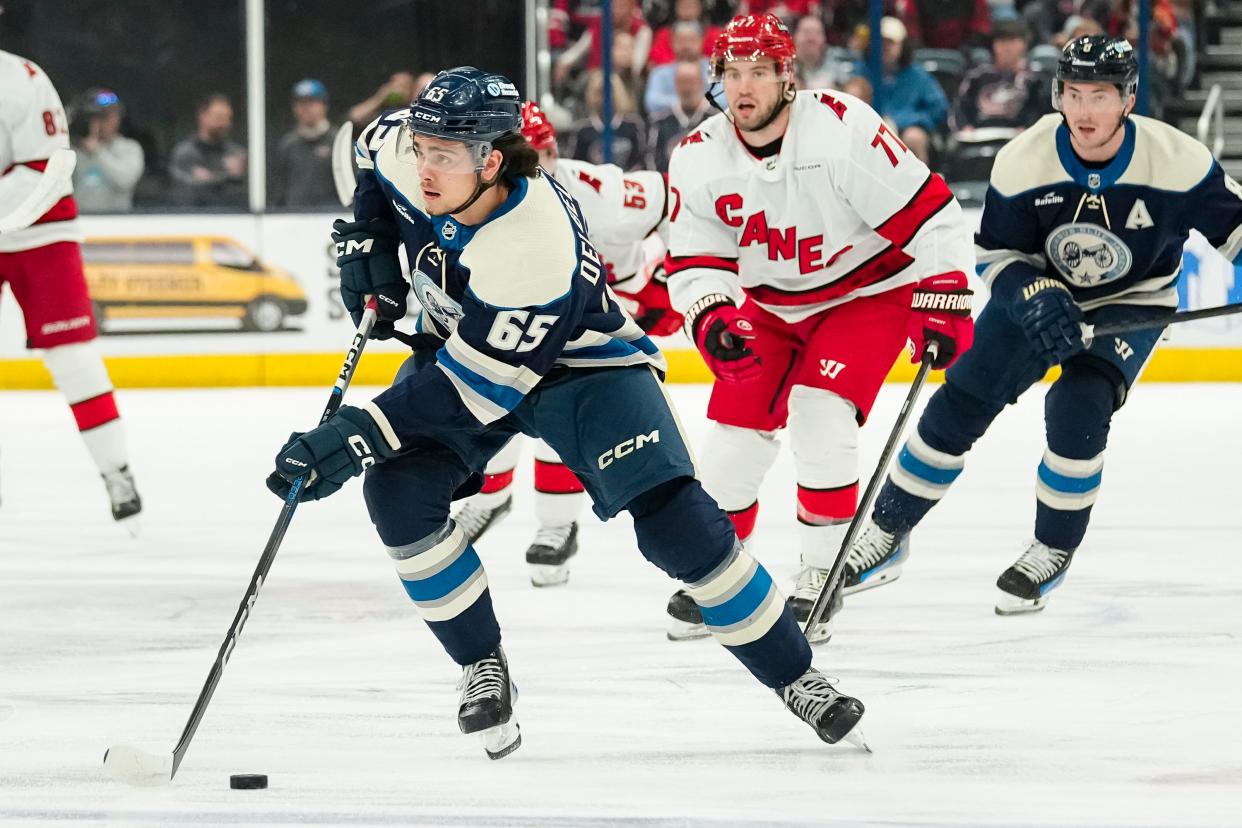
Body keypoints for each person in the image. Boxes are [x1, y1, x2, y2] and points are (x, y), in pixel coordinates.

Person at [265, 66, 866, 758]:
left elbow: (477, 385)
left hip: (582, 368)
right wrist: (367, 235)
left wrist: (358, 432)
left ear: (492, 159)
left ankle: (798, 676)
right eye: (424, 147)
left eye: (446, 156)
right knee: (398, 494)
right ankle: (480, 664)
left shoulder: (535, 243)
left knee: (680, 527)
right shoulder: (407, 148)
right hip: (470, 346)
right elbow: (373, 160)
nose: (426, 167)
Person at [838, 36, 1242, 615]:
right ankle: (887, 531)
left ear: (1128, 98)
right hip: (1038, 295)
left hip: (1131, 303)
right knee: (962, 400)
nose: (1083, 112)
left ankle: (1051, 548)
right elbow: (998, 255)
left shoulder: (1177, 162)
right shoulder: (1024, 159)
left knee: (1078, 405)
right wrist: (1032, 294)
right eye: (1073, 94)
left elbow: (1237, 234)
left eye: (1099, 96)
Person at [662, 13, 975, 643]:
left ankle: (822, 570)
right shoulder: (697, 157)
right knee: (734, 442)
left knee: (820, 412)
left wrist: (943, 295)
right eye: (732, 73)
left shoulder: (841, 127)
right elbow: (694, 261)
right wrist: (711, 313)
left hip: (869, 291)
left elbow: (932, 213)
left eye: (758, 71)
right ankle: (723, 576)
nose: (743, 87)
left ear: (787, 76)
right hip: (772, 307)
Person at [449, 99, 679, 588]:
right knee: (485, 397)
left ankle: (557, 524)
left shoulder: (598, 191)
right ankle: (489, 499)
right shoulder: (482, 204)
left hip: (602, 317)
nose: (538, 167)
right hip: (534, 319)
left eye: (545, 153)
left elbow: (679, 200)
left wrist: (678, 272)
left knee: (566, 410)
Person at [0, 50, 142, 527]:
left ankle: (116, 471)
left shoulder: (21, 78)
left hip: (40, 227)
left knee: (73, 358)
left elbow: (40, 169)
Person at [855, 16, 947, 164]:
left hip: (906, 129)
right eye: (880, 42)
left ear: (902, 46)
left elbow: (938, 108)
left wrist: (905, 120)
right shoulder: (861, 71)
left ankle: (921, 185)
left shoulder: (917, 75)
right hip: (869, 129)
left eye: (890, 43)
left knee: (914, 137)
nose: (884, 47)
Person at [951, 18, 1050, 132]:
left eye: (1012, 40)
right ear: (994, 45)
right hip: (979, 137)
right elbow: (959, 107)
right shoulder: (977, 75)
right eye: (1001, 41)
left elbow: (1042, 112)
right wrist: (964, 127)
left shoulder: (1036, 78)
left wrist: (1029, 129)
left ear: (1024, 44)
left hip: (1020, 138)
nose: (1006, 47)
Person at [69, 88, 144, 213]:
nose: (103, 122)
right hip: (81, 220)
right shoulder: (75, 152)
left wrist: (98, 152)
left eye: (107, 116)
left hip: (115, 223)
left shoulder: (130, 148)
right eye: (97, 117)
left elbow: (125, 181)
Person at [168, 93, 247, 208]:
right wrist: (226, 177)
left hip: (231, 217)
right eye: (219, 117)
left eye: (228, 119)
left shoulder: (236, 153)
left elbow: (247, 194)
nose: (224, 124)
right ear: (202, 116)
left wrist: (238, 175)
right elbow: (185, 192)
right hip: (194, 217)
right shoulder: (184, 153)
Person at [272, 79, 337, 208]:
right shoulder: (288, 144)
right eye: (300, 103)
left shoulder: (337, 141)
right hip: (295, 217)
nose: (305, 108)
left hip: (331, 216)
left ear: (324, 105)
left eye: (311, 102)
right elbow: (280, 187)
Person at [648, 59, 714, 172]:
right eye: (682, 82)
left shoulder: (716, 120)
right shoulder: (659, 122)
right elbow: (653, 161)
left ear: (701, 83)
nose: (687, 88)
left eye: (691, 81)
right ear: (675, 84)